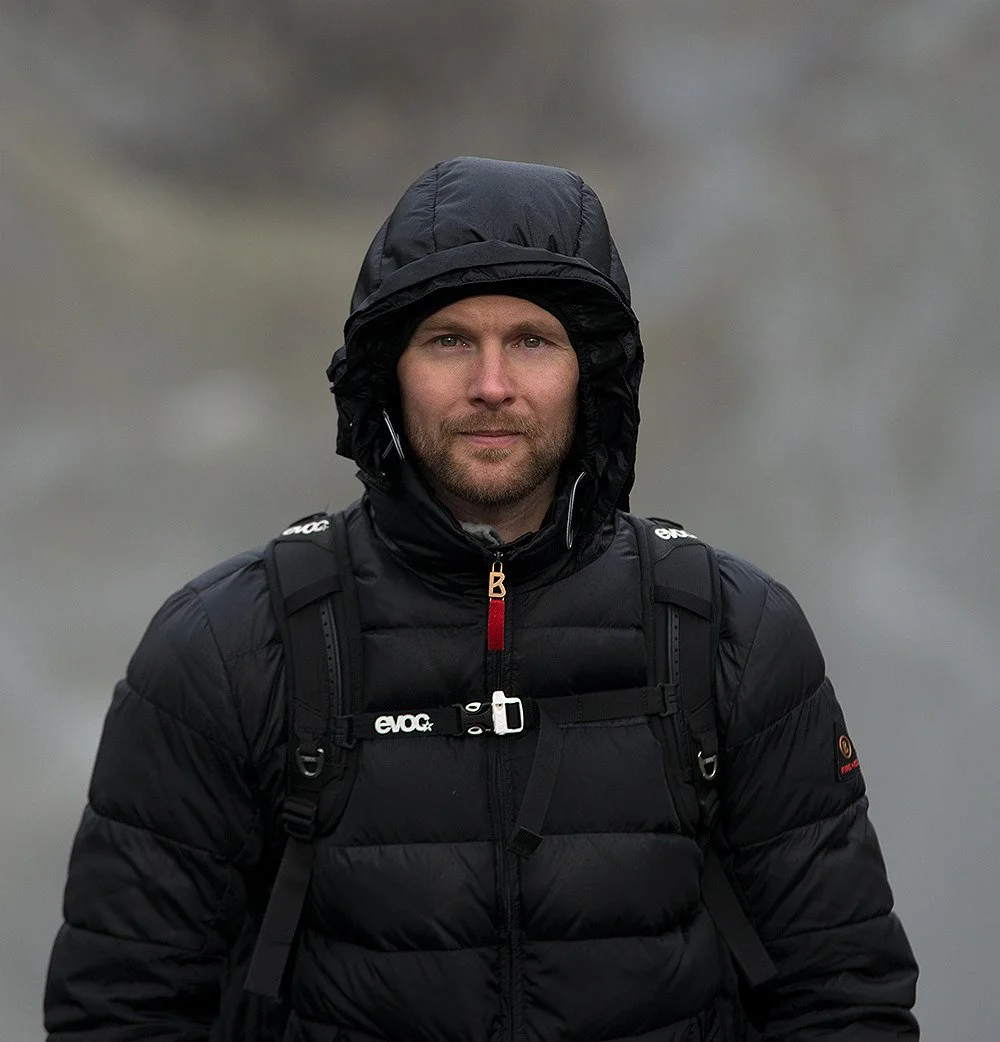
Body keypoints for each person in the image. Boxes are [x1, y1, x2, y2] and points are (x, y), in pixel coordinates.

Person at [45, 156, 919, 1041]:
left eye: (533, 340)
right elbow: (121, 1010)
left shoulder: (733, 633)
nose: (492, 385)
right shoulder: (231, 645)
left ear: (592, 372)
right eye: (449, 339)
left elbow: (844, 998)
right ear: (389, 370)